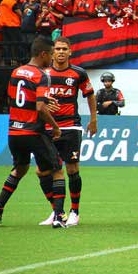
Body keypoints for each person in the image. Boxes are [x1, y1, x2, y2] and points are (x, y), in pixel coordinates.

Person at [0, 36, 66, 228]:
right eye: (51, 54)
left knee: (20, 168)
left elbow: (13, 100)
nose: (52, 58)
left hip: (14, 131)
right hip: (33, 132)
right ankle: (58, 217)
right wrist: (55, 126)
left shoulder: (16, 72)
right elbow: (40, 107)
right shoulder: (42, 75)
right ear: (43, 54)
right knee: (57, 170)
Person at [37, 37, 97, 227]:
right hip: (47, 128)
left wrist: (94, 119)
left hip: (71, 127)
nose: (61, 52)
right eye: (57, 49)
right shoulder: (43, 73)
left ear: (70, 52)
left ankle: (75, 212)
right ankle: (57, 211)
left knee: (72, 169)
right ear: (52, 52)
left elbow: (90, 95)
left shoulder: (78, 73)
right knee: (42, 171)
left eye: (64, 49)